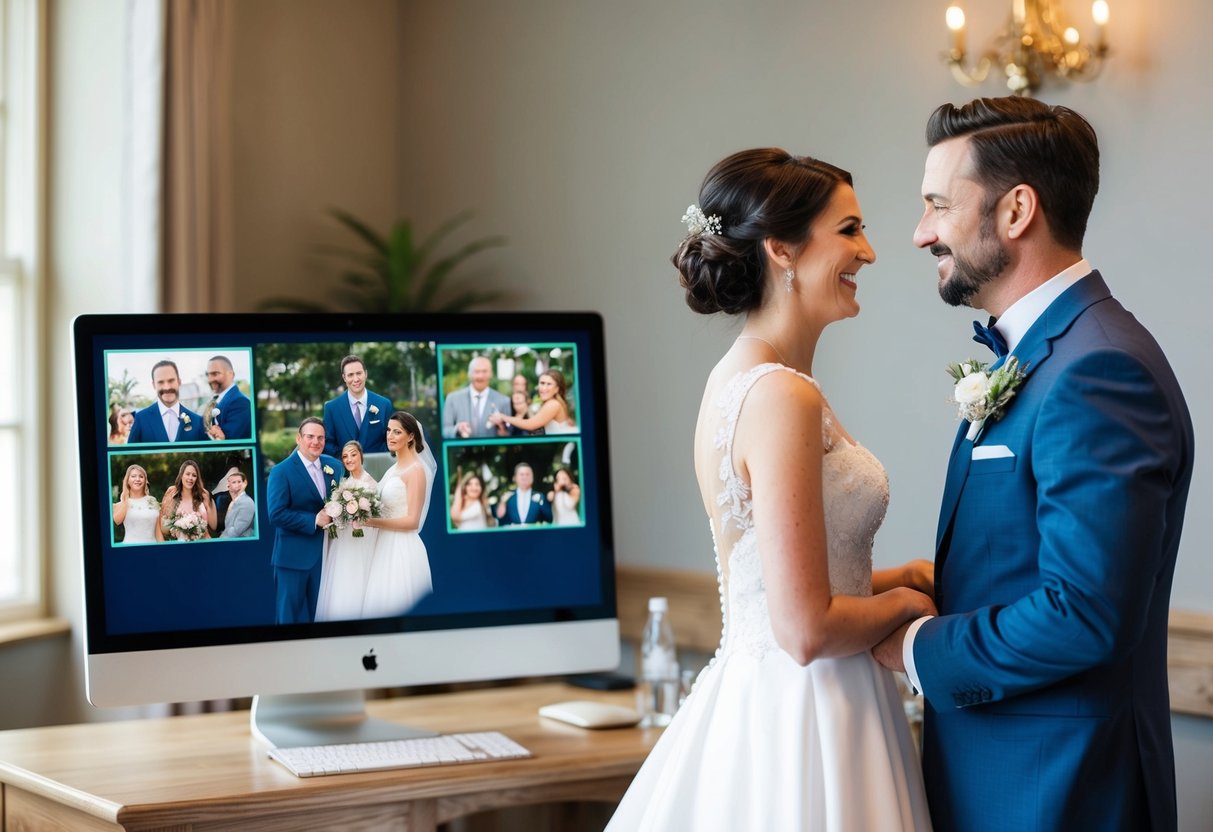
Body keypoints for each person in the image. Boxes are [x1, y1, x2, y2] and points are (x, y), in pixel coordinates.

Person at [868, 97, 1195, 832]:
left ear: (1016, 211)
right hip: (1006, 782)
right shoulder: (1050, 355)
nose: (921, 233)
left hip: (1059, 793)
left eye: (936, 206)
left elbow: (1084, 611)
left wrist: (918, 648)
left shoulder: (1098, 367)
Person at [607, 148, 935, 830]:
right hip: (808, 715)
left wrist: (897, 574)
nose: (868, 252)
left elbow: (778, 581)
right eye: (849, 230)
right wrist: (907, 604)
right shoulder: (779, 395)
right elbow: (804, 627)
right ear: (781, 249)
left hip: (790, 694)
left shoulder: (743, 378)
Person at [266, 418, 340, 623]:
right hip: (293, 559)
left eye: (320, 438)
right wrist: (314, 519)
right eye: (310, 437)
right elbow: (276, 514)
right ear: (299, 438)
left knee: (324, 617)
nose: (316, 442)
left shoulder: (334, 466)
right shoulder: (281, 472)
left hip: (327, 556)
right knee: (288, 619)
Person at [361, 412, 435, 618]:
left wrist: (371, 522)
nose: (390, 436)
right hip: (383, 546)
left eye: (397, 432)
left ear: (411, 436)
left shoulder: (416, 471)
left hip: (402, 550)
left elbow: (412, 521)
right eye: (388, 431)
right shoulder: (394, 468)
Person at [315, 440, 380, 621]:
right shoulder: (342, 485)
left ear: (361, 455)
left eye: (353, 454)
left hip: (362, 540)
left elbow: (377, 515)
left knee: (359, 577)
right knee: (342, 578)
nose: (349, 459)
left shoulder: (372, 484)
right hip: (343, 541)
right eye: (345, 456)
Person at [322, 354, 393, 457]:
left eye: (359, 373)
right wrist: (347, 460)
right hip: (346, 470)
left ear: (366, 374)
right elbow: (328, 444)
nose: (355, 379)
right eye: (350, 375)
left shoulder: (384, 404)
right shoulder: (331, 408)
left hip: (378, 469)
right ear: (344, 377)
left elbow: (391, 440)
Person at [126, 360, 207, 444]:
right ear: (154, 385)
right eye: (161, 382)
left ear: (179, 382)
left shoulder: (197, 421)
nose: (167, 387)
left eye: (171, 381)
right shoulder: (141, 419)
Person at [441, 355, 511, 439]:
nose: (480, 376)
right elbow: (444, 431)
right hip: (461, 451)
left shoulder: (504, 400)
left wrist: (503, 430)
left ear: (491, 374)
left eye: (484, 371)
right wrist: (457, 429)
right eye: (477, 371)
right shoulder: (452, 399)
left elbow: (511, 433)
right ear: (469, 374)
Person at [488, 369, 576, 434]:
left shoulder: (553, 404)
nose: (543, 388)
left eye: (549, 384)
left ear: (557, 389)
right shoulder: (551, 402)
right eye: (542, 383)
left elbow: (531, 424)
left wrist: (503, 417)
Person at [155, 459, 217, 542]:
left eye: (194, 475)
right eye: (187, 474)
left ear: (197, 478)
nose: (190, 478)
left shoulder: (203, 494)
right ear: (181, 475)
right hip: (179, 545)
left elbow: (214, 526)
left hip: (203, 543)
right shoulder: (172, 492)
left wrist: (209, 501)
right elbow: (162, 526)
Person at [202, 355, 252, 441]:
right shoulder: (216, 400)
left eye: (215, 374)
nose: (210, 380)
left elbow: (230, 440)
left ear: (230, 374)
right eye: (208, 374)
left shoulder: (240, 402)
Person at [112, 463, 159, 544]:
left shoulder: (152, 500)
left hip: (152, 547)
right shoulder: (123, 503)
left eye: (141, 476)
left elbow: (158, 531)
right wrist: (126, 499)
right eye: (133, 476)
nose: (137, 479)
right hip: (130, 548)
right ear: (128, 481)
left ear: (145, 481)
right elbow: (117, 520)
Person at [219, 470, 256, 539]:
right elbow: (228, 527)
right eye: (234, 482)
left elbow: (236, 531)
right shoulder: (234, 502)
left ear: (244, 483)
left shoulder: (246, 502)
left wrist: (221, 540)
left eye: (239, 482)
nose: (238, 484)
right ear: (228, 486)